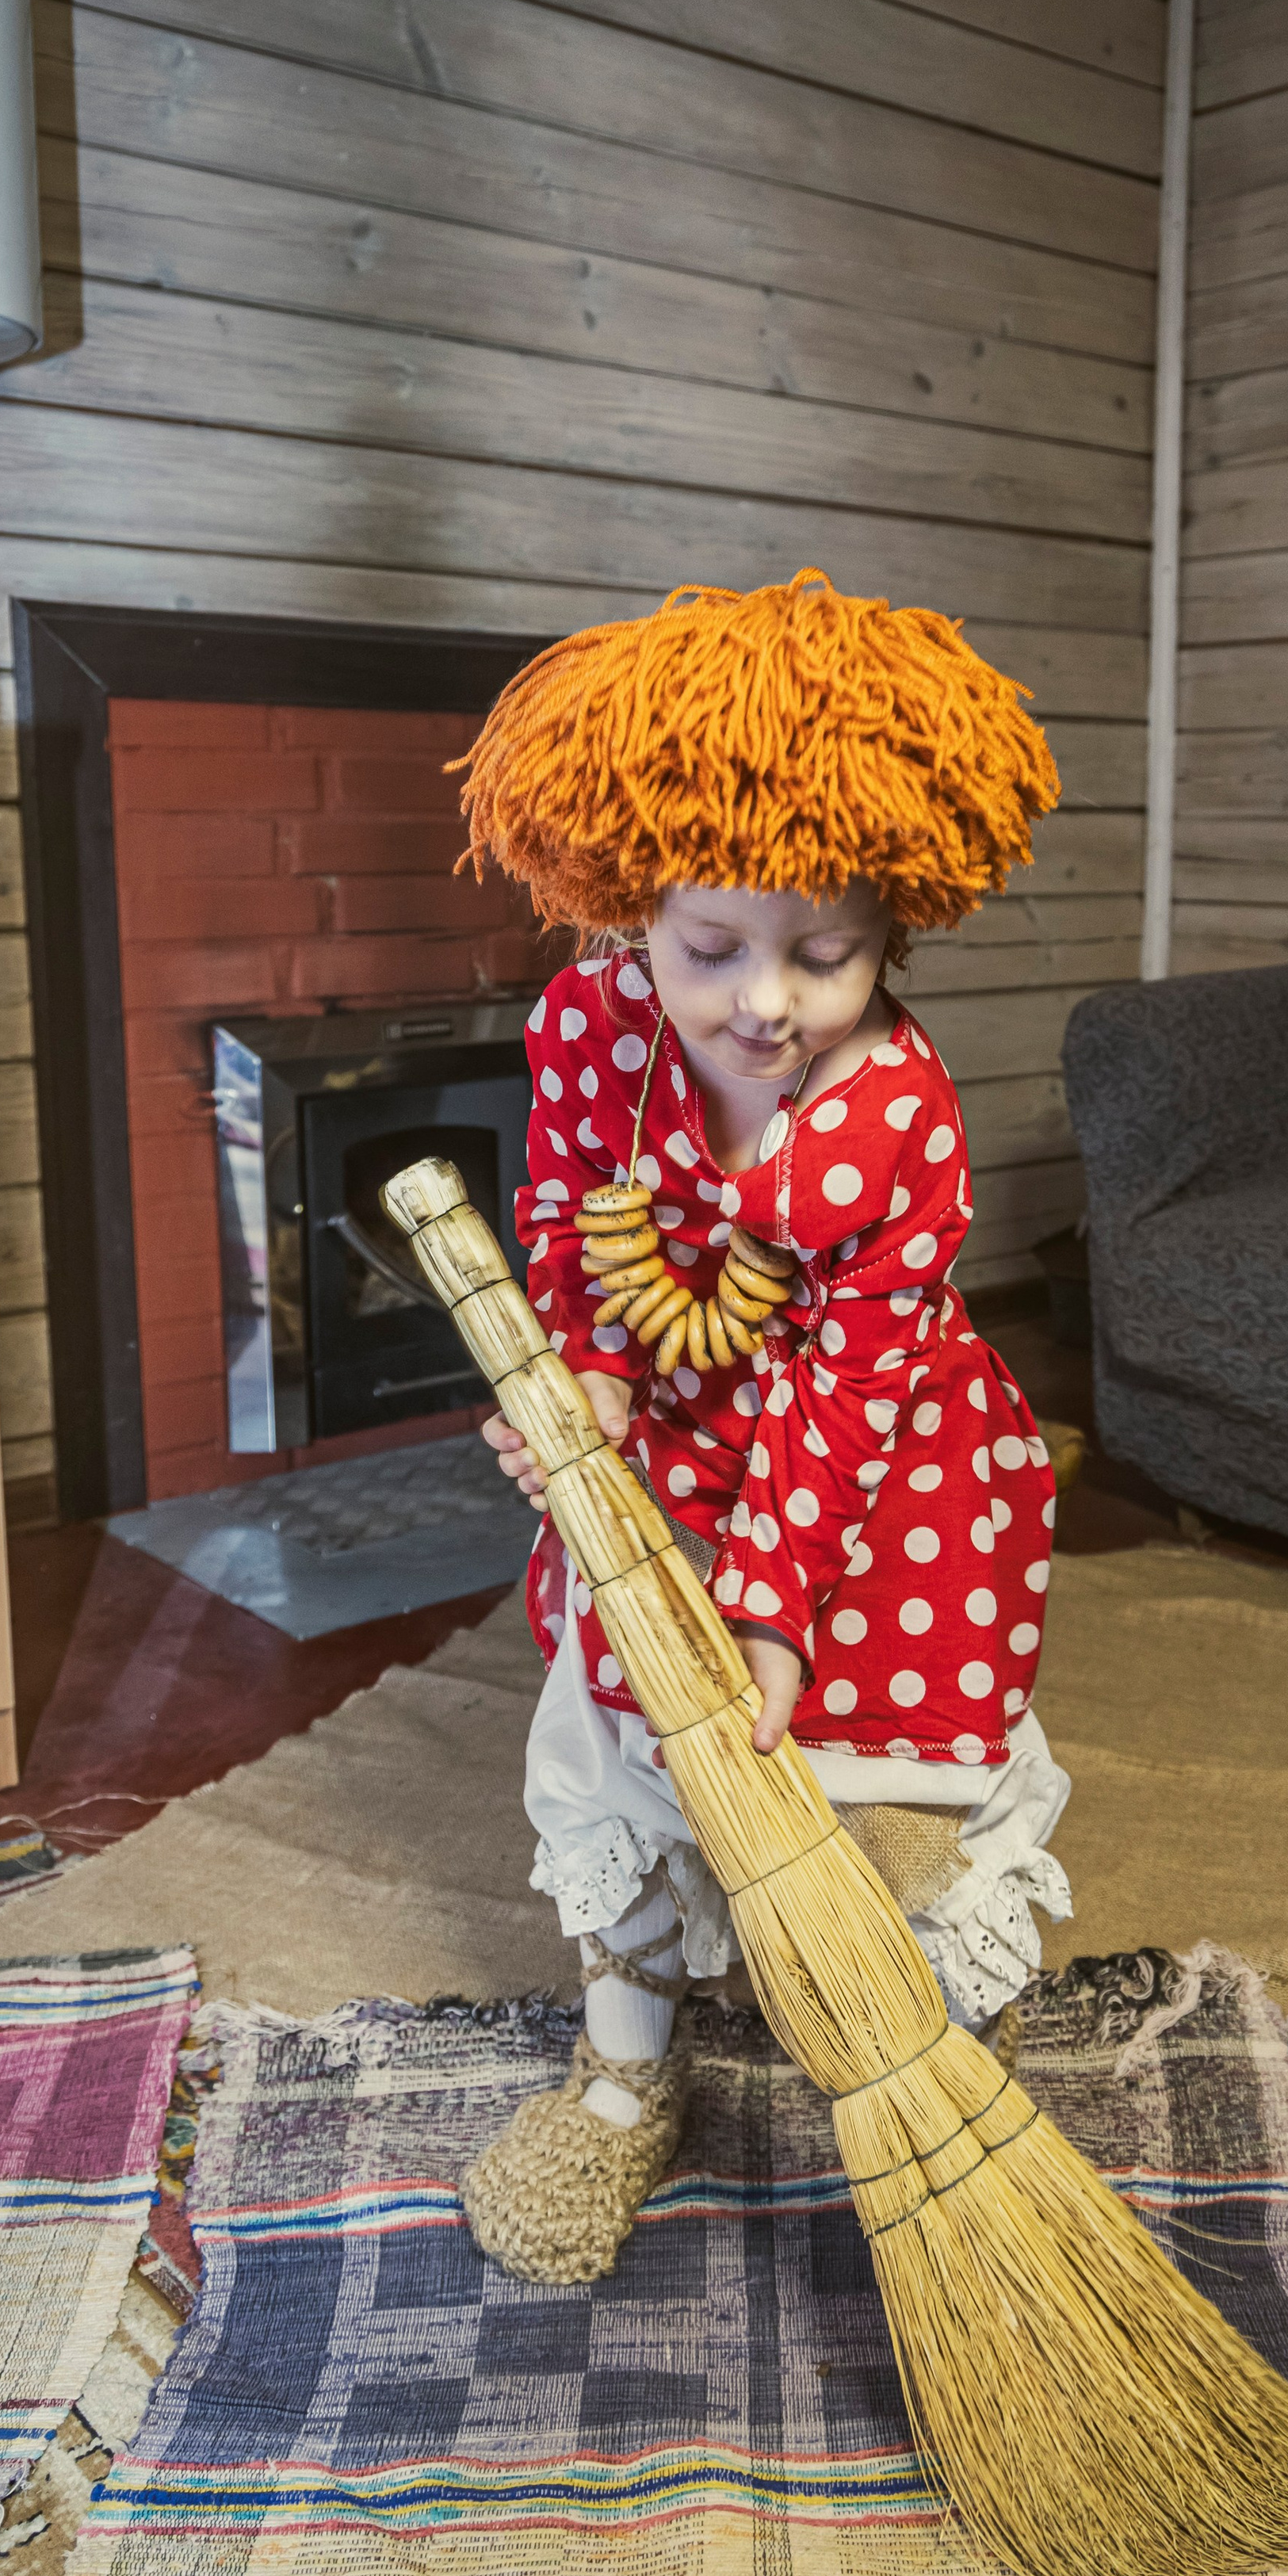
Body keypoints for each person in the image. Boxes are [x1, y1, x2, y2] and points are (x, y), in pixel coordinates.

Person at [455, 571, 1075, 2284]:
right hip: (666, 1442)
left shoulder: (901, 1114)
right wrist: (576, 1389)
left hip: (872, 1476)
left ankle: (937, 2048)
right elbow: (574, 1230)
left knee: (881, 1770)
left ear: (896, 921)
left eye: (828, 952)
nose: (764, 1005)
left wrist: (767, 1612)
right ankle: (623, 2071)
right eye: (709, 947)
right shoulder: (585, 1023)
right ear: (631, 907)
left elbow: (851, 1376)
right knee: (627, 1743)